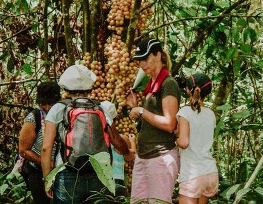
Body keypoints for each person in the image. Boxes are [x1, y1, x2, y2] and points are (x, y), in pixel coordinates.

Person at [41, 65, 134, 204]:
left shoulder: (58, 109)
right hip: (98, 173)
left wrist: (47, 179)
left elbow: (46, 148)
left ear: (66, 88)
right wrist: (127, 152)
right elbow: (116, 141)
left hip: (68, 174)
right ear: (90, 88)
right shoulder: (101, 108)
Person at [127, 38, 180, 203]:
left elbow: (170, 124)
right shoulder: (150, 84)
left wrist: (141, 111)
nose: (142, 64)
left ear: (158, 55)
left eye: (145, 58)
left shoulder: (168, 83)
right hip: (144, 157)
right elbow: (152, 123)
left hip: (160, 158)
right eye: (139, 61)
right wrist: (135, 107)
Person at [176, 73, 218, 204]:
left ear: (188, 90)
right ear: (208, 93)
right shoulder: (211, 114)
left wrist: (173, 135)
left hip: (193, 175)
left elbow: (183, 142)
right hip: (210, 172)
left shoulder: (185, 112)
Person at [19, 81, 61, 204]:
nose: (47, 108)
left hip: (60, 169)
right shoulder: (34, 118)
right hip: (37, 171)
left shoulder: (63, 114)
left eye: (51, 104)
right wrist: (49, 163)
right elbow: (24, 151)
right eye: (44, 104)